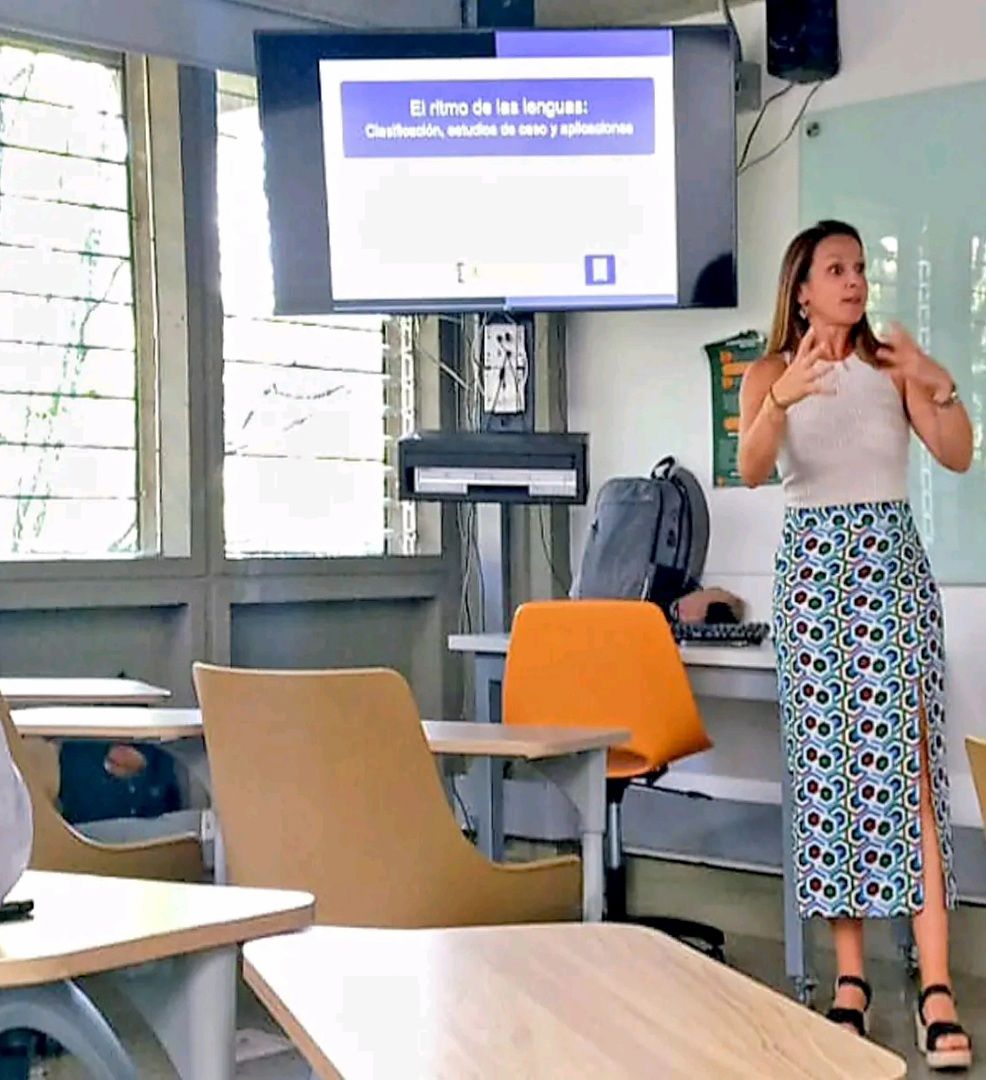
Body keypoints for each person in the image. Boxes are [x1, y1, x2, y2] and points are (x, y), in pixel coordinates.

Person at [738, 220, 973, 1071]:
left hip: (889, 570)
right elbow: (754, 469)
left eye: (861, 269)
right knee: (832, 770)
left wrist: (941, 389)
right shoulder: (771, 373)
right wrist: (781, 398)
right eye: (836, 269)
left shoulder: (889, 368)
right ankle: (849, 980)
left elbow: (956, 458)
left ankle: (937, 984)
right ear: (800, 287)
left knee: (907, 769)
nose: (855, 282)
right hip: (812, 582)